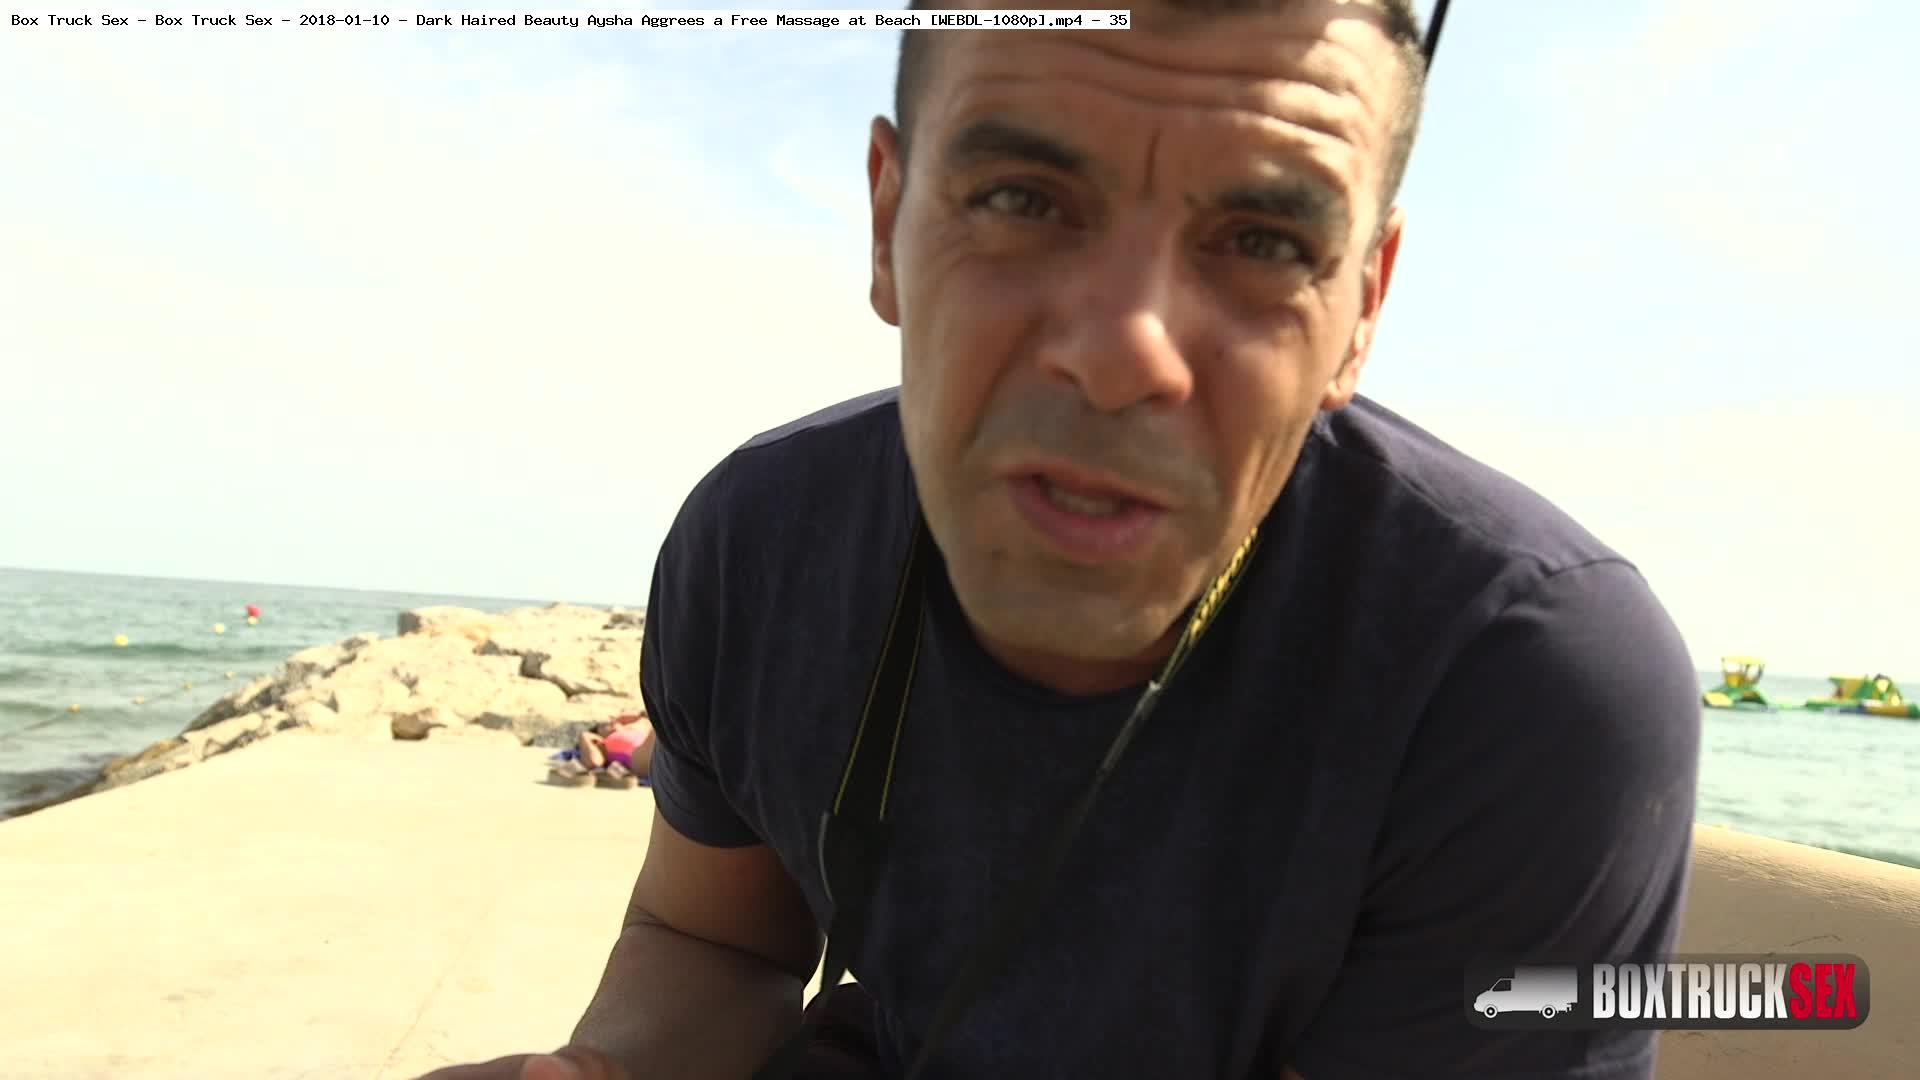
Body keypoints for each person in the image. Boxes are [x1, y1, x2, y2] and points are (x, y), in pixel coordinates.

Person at [423, 1, 1700, 1077]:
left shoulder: (1520, 684)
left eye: (1264, 242)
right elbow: (717, 941)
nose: (1123, 351)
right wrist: (606, 1070)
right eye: (1023, 198)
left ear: (1362, 306)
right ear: (887, 220)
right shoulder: (761, 547)